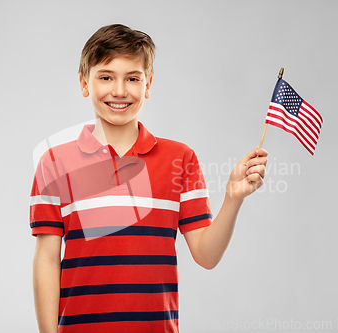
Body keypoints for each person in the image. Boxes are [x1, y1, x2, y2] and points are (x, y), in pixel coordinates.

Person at [30, 24, 268, 333]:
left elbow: (206, 255)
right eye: (106, 77)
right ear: (84, 83)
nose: (119, 90)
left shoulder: (180, 159)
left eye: (132, 78)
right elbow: (47, 260)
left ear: (148, 85)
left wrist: (233, 198)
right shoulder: (54, 163)